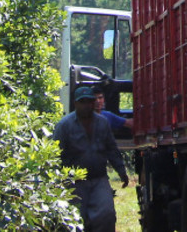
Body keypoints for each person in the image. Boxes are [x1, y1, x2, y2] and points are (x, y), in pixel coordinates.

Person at [53, 85, 130, 232]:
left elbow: (111, 149)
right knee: (75, 219)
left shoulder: (102, 122)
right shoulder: (64, 125)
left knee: (106, 214)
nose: (87, 105)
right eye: (83, 102)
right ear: (75, 104)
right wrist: (58, 181)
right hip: (75, 181)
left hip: (99, 178)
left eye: (89, 101)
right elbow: (56, 155)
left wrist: (121, 171)